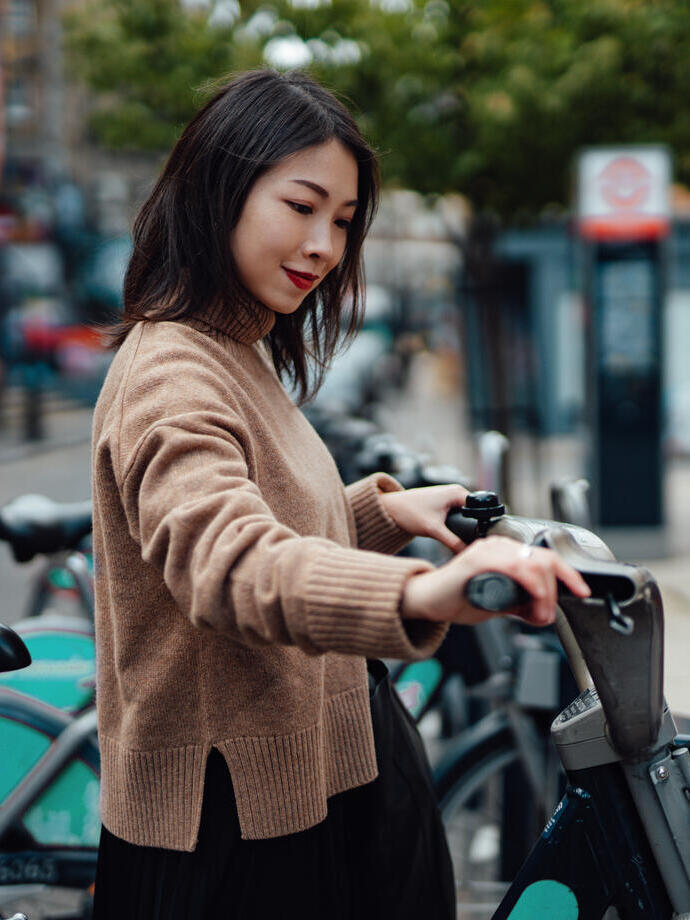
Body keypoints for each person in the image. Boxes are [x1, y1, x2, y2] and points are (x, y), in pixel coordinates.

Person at [90, 69, 589, 919]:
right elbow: (233, 566)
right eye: (301, 205)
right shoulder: (171, 374)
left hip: (317, 783)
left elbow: (274, 519)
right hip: (236, 835)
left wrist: (390, 513)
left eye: (345, 221)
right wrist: (425, 590)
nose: (324, 244)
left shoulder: (235, 347)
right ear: (220, 189)